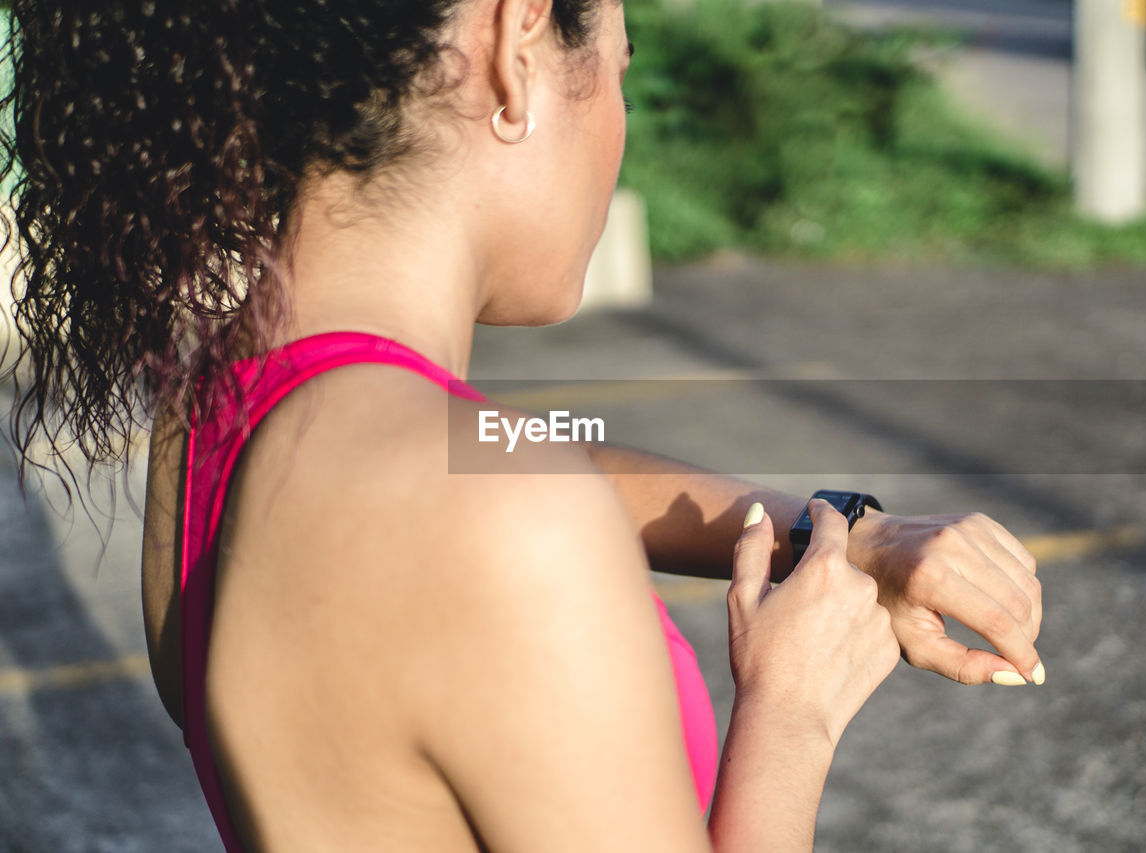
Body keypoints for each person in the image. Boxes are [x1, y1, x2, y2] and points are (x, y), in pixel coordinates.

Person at [1, 1, 1043, 850]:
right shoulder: (492, 526)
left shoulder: (220, 401)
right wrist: (794, 713)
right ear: (515, 46)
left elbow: (513, 459)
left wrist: (840, 535)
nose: (620, 128)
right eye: (620, 69)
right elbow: (510, 494)